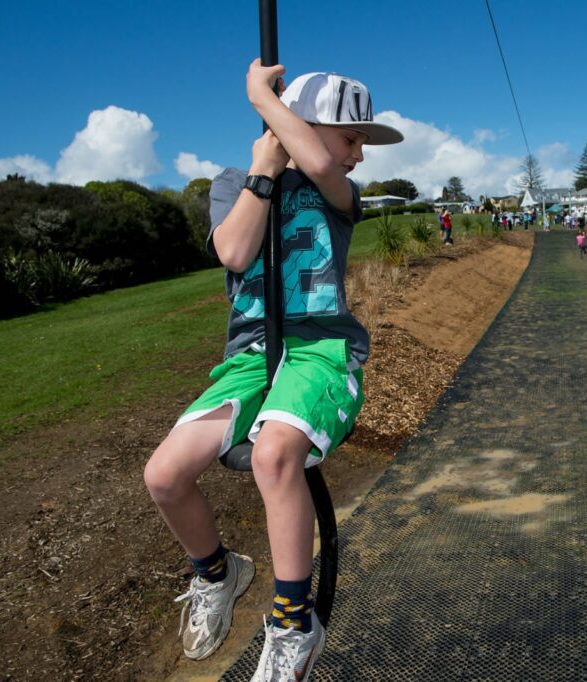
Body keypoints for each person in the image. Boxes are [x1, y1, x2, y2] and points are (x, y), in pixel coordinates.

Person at [143, 59, 403, 681]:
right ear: (305, 127)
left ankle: (293, 623)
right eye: (351, 139)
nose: (358, 156)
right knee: (164, 475)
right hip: (252, 357)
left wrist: (263, 101)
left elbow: (319, 165)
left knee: (274, 454)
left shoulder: (339, 193)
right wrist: (264, 169)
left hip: (319, 352)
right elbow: (234, 252)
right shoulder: (234, 182)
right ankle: (218, 571)